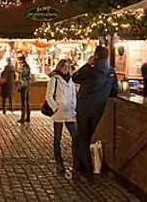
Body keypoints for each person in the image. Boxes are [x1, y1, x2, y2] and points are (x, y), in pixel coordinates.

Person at [72, 46, 118, 181]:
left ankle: (86, 172)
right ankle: (84, 168)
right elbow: (114, 90)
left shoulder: (90, 70)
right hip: (99, 109)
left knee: (83, 138)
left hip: (84, 108)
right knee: (88, 137)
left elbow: (75, 78)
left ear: (96, 55)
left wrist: (87, 64)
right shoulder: (111, 72)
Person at [45, 59, 77, 175]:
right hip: (59, 112)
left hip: (70, 112)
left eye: (68, 66)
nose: (66, 68)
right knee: (57, 138)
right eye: (64, 66)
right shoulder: (55, 78)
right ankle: (59, 162)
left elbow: (74, 94)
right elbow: (48, 96)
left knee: (75, 136)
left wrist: (74, 106)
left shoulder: (71, 79)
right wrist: (55, 107)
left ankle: (76, 163)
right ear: (59, 66)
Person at [17, 54, 32, 124]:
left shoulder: (22, 67)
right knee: (27, 101)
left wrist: (19, 87)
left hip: (24, 85)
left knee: (23, 101)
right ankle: (28, 117)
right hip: (28, 84)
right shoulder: (28, 66)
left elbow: (20, 77)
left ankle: (23, 118)